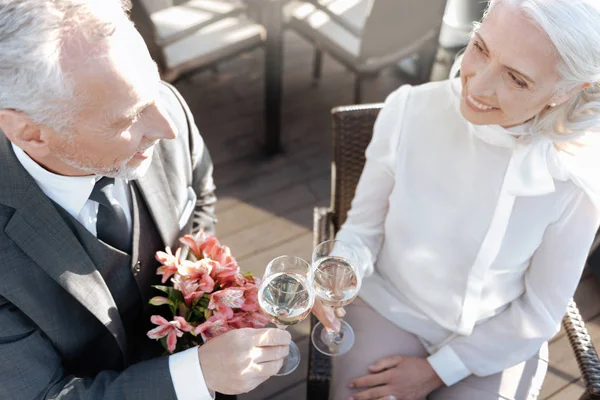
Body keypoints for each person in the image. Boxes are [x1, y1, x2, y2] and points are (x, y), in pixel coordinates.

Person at [0, 1, 290, 399]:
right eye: (125, 120)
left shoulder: (161, 105)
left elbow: (199, 198)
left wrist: (203, 295)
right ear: (30, 132)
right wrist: (195, 376)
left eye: (153, 85)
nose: (166, 128)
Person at [312, 0, 600, 399]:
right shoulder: (409, 109)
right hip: (389, 306)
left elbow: (539, 313)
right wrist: (339, 268)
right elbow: (362, 230)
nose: (478, 86)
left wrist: (437, 370)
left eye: (516, 78)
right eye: (480, 47)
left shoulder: (576, 181)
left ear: (568, 90)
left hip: (497, 338)